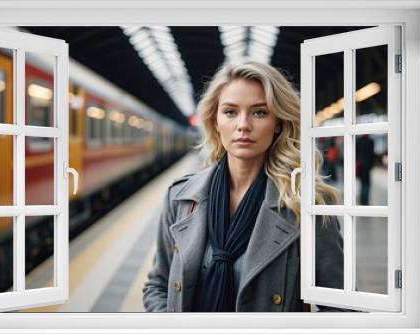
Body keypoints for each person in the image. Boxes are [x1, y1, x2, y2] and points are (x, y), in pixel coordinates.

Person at [143, 60, 345, 312]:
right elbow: (158, 285)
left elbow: (340, 308)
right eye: (230, 112)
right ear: (215, 121)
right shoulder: (181, 197)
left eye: (259, 112)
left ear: (279, 123)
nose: (243, 125)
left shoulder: (306, 205)